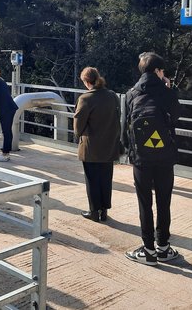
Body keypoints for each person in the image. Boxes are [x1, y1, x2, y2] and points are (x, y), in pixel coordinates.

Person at [124, 52, 181, 266]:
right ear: (158, 71)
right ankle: (163, 248)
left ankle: (148, 251)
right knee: (164, 202)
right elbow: (176, 116)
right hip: (164, 157)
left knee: (144, 203)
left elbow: (125, 125)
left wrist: (130, 152)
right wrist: (170, 89)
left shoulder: (131, 93)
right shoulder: (166, 93)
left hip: (141, 158)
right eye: (162, 71)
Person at [74, 67, 121, 222]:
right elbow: (117, 117)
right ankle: (104, 211)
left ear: (87, 82)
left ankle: (94, 211)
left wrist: (79, 135)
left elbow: (78, 126)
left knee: (92, 179)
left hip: (91, 147)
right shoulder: (112, 96)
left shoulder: (85, 98)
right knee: (106, 178)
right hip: (109, 145)